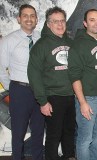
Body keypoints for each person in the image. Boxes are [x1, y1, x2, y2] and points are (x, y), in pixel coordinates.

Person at [27, 6, 76, 160]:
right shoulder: (41, 46)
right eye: (56, 22)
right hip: (53, 97)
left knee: (69, 132)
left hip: (72, 96)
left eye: (62, 21)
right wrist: (43, 101)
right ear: (48, 24)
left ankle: (69, 156)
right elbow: (33, 74)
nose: (60, 24)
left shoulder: (71, 42)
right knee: (54, 136)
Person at [0, 4, 44, 160]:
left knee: (39, 132)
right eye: (25, 15)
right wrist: (12, 88)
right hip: (20, 90)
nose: (29, 19)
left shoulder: (42, 38)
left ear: (37, 19)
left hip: (40, 91)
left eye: (32, 15)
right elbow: (1, 69)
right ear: (19, 19)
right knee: (18, 133)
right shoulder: (8, 40)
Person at [68, 9, 97, 160]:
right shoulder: (78, 45)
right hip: (88, 99)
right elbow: (74, 76)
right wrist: (82, 102)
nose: (96, 22)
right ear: (85, 23)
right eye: (92, 20)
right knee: (85, 139)